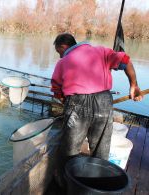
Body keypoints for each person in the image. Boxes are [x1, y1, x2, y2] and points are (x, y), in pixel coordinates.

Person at [51, 33, 143, 187]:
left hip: (76, 103)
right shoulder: (101, 51)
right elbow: (125, 60)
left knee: (69, 149)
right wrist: (134, 84)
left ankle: (65, 183)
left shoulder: (63, 62)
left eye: (59, 52)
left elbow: (56, 89)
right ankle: (98, 185)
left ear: (63, 47)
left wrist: (66, 101)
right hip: (103, 103)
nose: (60, 56)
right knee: (101, 148)